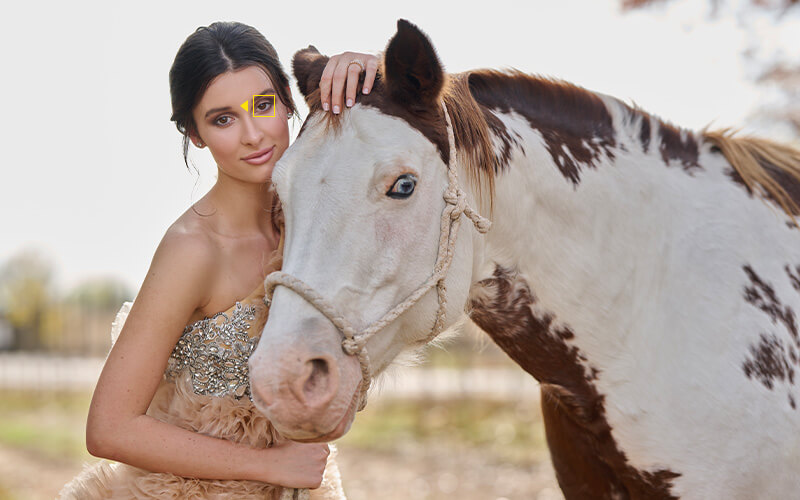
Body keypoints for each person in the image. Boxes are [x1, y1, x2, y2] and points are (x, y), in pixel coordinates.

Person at [59, 21, 378, 499]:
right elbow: (110, 428)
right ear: (195, 133)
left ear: (289, 103)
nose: (253, 135)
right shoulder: (194, 248)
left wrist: (376, 72)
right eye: (223, 119)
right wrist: (269, 466)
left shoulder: (310, 227)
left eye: (264, 105)